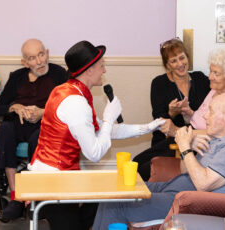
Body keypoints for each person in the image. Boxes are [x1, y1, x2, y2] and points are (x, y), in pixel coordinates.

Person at [28, 40, 165, 230]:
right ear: (89, 70)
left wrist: (149, 127)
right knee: (94, 209)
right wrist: (109, 119)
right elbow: (94, 153)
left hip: (56, 175)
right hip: (54, 182)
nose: (104, 71)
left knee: (100, 203)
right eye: (102, 66)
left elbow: (102, 131)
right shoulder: (75, 102)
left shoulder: (69, 91)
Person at [92, 93, 225, 229]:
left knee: (118, 204)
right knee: (115, 192)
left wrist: (185, 147)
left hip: (189, 202)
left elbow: (203, 184)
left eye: (211, 111)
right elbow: (185, 170)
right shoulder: (218, 135)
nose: (205, 116)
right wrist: (189, 147)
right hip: (175, 188)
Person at [134, 47, 225, 180]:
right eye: (211, 71)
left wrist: (176, 131)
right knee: (136, 161)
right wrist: (190, 115)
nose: (210, 77)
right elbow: (202, 120)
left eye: (216, 73)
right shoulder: (215, 89)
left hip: (197, 146)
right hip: (187, 135)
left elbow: (222, 136)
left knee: (142, 170)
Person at [0, 39, 67, 221]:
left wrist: (44, 112)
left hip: (46, 125)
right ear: (25, 62)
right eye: (32, 58)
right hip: (18, 125)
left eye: (41, 55)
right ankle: (17, 197)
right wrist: (14, 106)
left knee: (38, 138)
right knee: (5, 130)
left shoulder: (59, 74)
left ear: (47, 53)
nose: (39, 61)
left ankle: (33, 197)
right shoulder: (17, 77)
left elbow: (69, 106)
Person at [133, 38, 210, 180]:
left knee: (142, 170)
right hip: (166, 141)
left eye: (182, 58)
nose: (180, 64)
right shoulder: (159, 83)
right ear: (167, 64)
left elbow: (221, 88)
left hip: (194, 142)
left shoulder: (200, 79)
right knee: (135, 164)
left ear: (187, 57)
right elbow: (158, 120)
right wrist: (171, 113)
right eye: (174, 61)